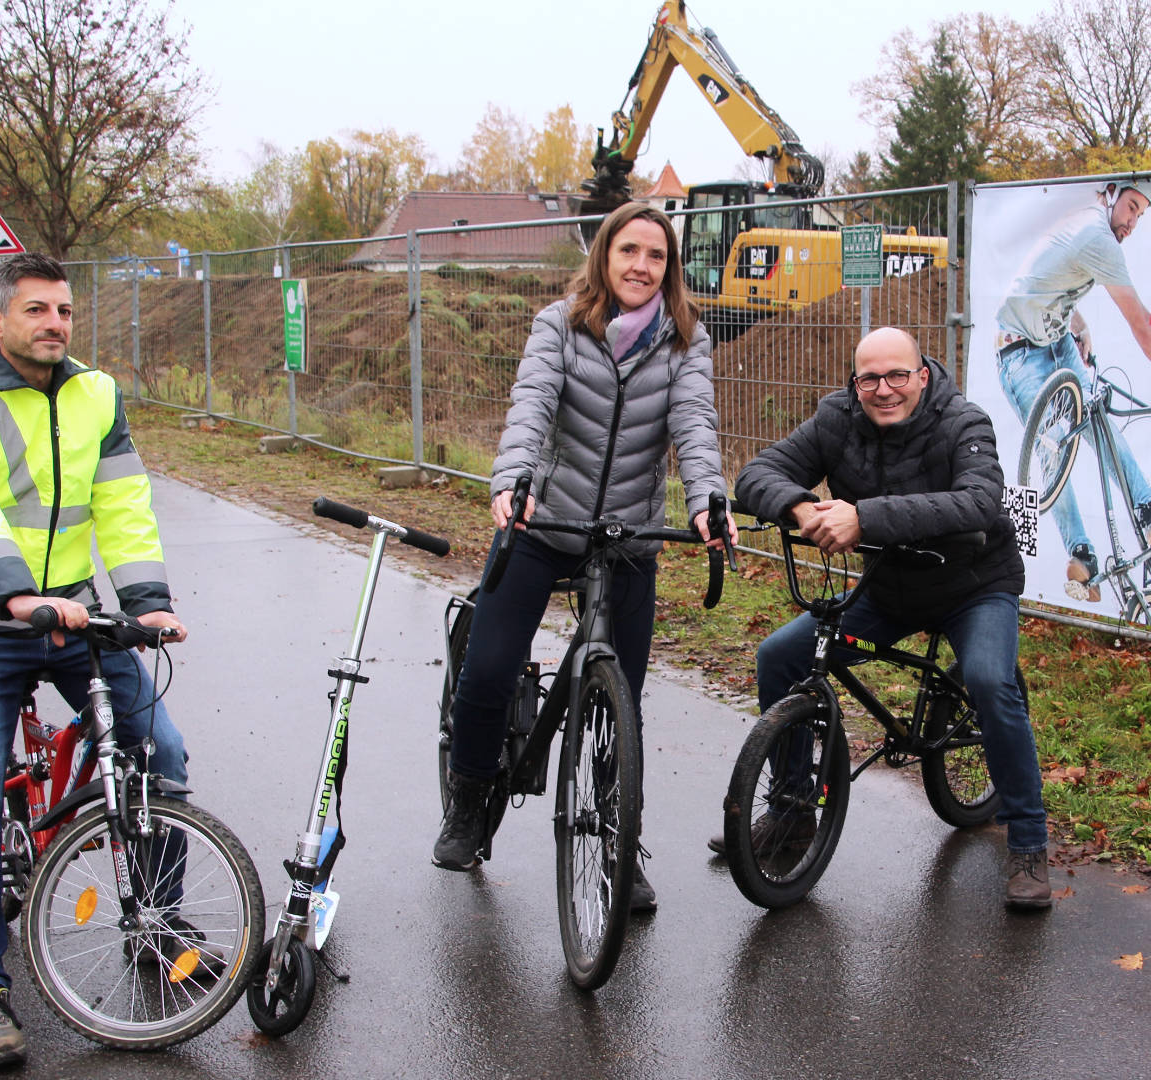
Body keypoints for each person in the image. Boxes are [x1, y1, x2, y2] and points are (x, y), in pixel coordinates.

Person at [0, 252, 191, 1070]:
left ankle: (158, 923)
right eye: (37, 310)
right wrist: (11, 594)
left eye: (65, 310)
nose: (56, 324)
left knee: (159, 750)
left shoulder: (95, 393)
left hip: (72, 614)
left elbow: (123, 502)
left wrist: (146, 603)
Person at [433, 201, 733, 913]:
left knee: (617, 705)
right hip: (544, 520)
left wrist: (705, 501)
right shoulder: (559, 326)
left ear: (671, 268)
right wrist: (512, 482)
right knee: (488, 673)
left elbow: (694, 425)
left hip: (628, 535)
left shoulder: (686, 339)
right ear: (605, 256)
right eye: (629, 251)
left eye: (656, 256)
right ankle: (470, 806)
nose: (641, 266)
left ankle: (617, 845)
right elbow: (531, 407)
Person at [723, 326, 1053, 909]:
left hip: (974, 585)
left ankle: (1028, 842)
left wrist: (863, 519)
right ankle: (793, 811)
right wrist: (799, 504)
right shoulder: (836, 418)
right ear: (855, 383)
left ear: (922, 375)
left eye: (897, 375)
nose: (883, 389)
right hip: (890, 589)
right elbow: (756, 475)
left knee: (988, 680)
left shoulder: (964, 422)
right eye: (869, 378)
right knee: (780, 656)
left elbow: (978, 502)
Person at [995, 177, 1151, 603]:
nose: (1133, 222)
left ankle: (1148, 511)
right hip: (1018, 352)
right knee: (1051, 446)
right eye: (1131, 207)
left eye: (1141, 214)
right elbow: (1142, 327)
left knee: (1098, 424)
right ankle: (1080, 552)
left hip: (1059, 342)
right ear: (1110, 194)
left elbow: (1048, 280)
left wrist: (1078, 324)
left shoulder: (1090, 226)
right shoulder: (1097, 235)